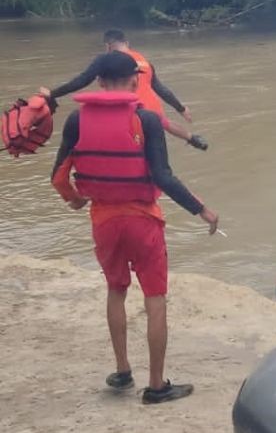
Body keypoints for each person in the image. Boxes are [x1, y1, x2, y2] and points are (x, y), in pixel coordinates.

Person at [50, 51, 219, 404]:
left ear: (98, 82)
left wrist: (76, 199)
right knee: (155, 298)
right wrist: (202, 210)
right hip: (143, 220)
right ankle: (157, 386)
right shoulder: (147, 120)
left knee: (116, 290)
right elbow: (163, 177)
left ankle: (123, 370)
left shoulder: (76, 121)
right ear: (133, 81)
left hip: (104, 220)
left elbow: (58, 177)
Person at [40, 29, 207, 150]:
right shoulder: (144, 62)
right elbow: (161, 89)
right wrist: (181, 108)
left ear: (108, 46)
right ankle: (192, 138)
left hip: (128, 114)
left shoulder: (106, 60)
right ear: (127, 43)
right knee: (163, 126)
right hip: (154, 113)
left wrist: (53, 94)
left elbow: (81, 81)